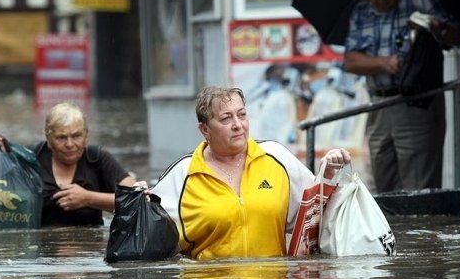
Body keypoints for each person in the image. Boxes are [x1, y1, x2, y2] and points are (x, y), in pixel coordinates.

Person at [149, 86, 351, 260]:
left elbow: (317, 219)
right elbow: (151, 242)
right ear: (205, 129)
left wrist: (329, 173)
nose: (238, 125)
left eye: (242, 114)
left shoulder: (276, 157)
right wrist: (138, 200)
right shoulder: (182, 174)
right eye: (226, 118)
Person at [342, 0, 460, 193]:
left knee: (418, 184)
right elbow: (350, 61)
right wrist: (384, 63)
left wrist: (435, 27)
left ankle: (420, 229)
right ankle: (394, 229)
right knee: (384, 181)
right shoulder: (362, 12)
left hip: (415, 103)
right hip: (378, 104)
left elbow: (455, 37)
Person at [0, 102, 138, 227]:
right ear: (48, 138)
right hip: (41, 256)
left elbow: (137, 199)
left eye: (77, 136)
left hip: (89, 252)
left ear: (86, 136)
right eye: (61, 138)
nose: (70, 144)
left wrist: (88, 198)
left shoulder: (97, 159)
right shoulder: (31, 159)